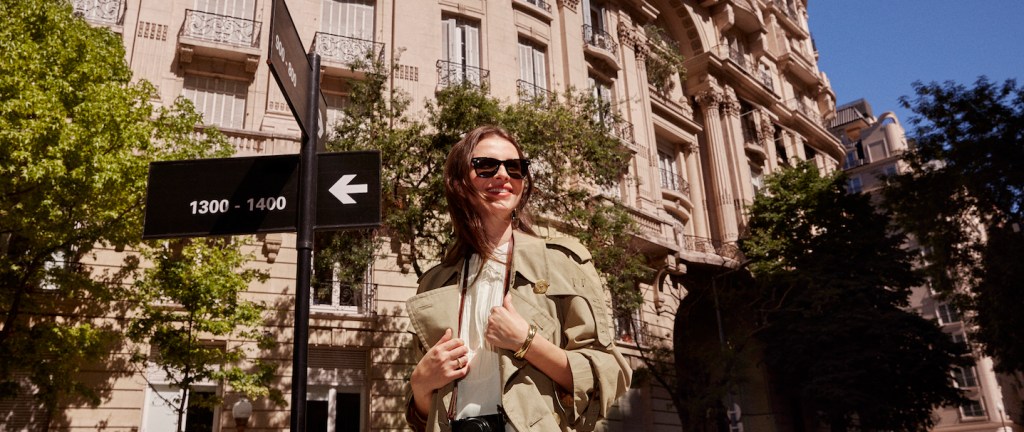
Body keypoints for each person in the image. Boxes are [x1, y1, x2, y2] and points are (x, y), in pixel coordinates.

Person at [405, 125, 632, 432]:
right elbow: (420, 414)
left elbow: (609, 374)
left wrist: (527, 342)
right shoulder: (435, 283)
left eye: (515, 168)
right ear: (459, 181)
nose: (503, 175)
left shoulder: (562, 262)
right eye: (486, 166)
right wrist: (421, 384)